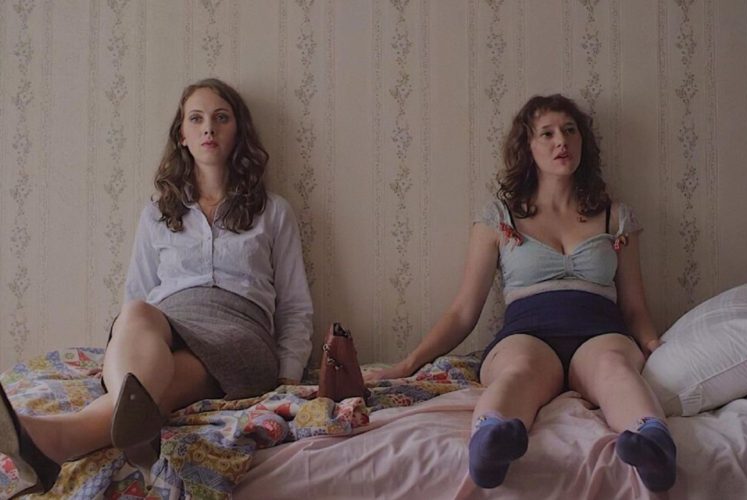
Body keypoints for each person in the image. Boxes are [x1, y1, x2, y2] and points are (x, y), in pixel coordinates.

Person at [0, 78, 313, 497]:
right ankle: (87, 428)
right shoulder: (157, 213)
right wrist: (120, 355)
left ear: (238, 131)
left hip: (239, 336)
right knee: (136, 317)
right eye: (196, 119)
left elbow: (294, 305)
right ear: (182, 135)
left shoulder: (273, 211)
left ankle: (51, 439)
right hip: (170, 324)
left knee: (158, 386)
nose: (208, 128)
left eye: (221, 118)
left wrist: (289, 375)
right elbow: (138, 292)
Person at [366, 94, 676, 492]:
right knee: (520, 369)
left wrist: (653, 344)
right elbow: (464, 311)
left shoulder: (615, 216)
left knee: (614, 367)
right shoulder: (499, 217)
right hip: (527, 336)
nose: (561, 141)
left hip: (600, 334)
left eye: (569, 130)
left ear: (582, 141)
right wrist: (407, 364)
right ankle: (490, 441)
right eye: (547, 133)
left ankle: (654, 444)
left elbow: (634, 307)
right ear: (528, 147)